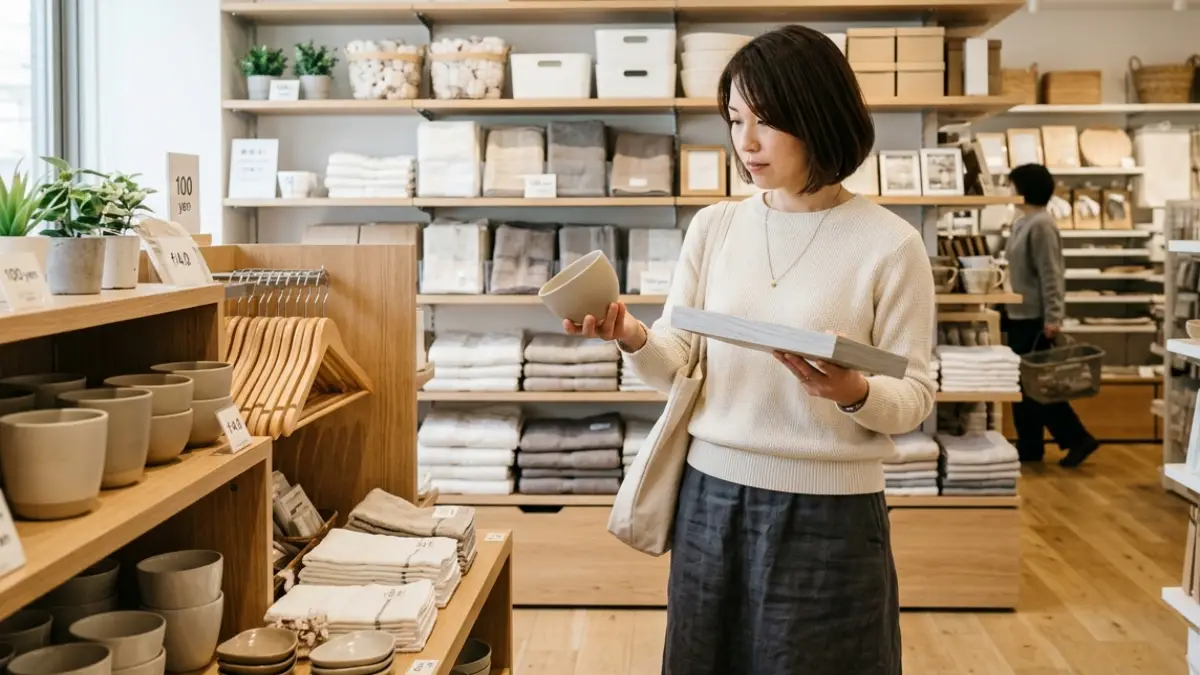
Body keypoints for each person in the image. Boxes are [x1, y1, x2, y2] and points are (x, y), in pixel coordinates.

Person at [563, 25, 934, 675]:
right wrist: (631, 336)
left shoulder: (890, 244)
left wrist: (853, 392)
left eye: (766, 121)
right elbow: (680, 360)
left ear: (817, 117)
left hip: (831, 515)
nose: (746, 142)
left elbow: (916, 395)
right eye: (735, 119)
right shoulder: (716, 225)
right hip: (711, 500)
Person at [1003, 163, 1099, 467]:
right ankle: (1031, 445)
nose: (1008, 191)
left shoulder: (1041, 224)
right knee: (1026, 385)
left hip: (1034, 317)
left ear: (1023, 189)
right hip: (1018, 313)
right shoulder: (1023, 222)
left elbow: (1051, 274)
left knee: (1039, 385)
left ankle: (1078, 438)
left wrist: (1054, 317)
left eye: (1011, 185)